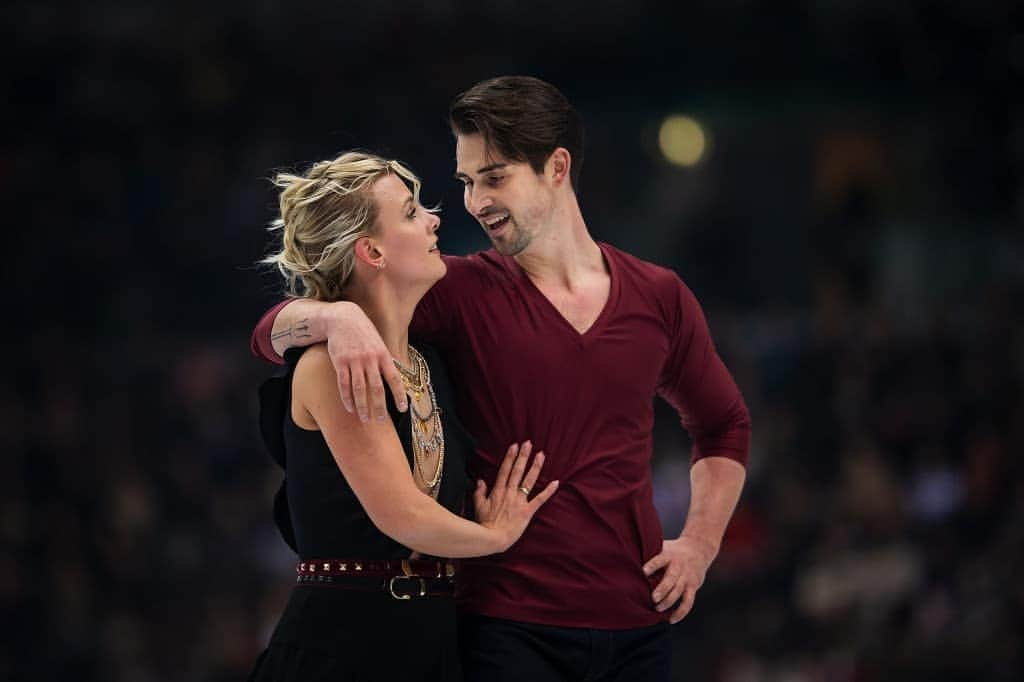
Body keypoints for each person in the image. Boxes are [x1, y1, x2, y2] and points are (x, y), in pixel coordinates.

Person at [252, 77, 752, 682]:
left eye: (494, 177)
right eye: (465, 181)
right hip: (501, 624)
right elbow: (275, 329)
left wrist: (699, 545)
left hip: (638, 624)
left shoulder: (660, 295)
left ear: (556, 168)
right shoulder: (453, 290)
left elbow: (724, 425)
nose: (472, 201)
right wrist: (332, 317)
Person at [248, 151, 558, 682]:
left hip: (428, 640)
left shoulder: (430, 362)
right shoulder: (327, 365)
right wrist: (496, 537)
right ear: (371, 251)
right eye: (412, 212)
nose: (435, 218)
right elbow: (401, 515)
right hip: (343, 647)